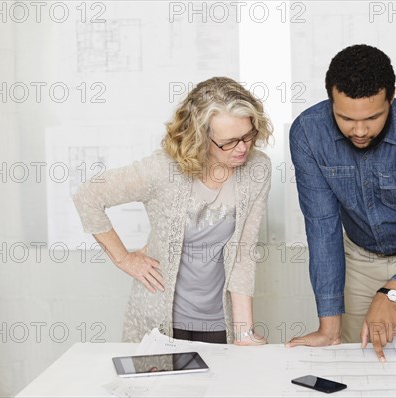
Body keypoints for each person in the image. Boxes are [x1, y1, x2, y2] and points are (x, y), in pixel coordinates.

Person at [287, 45, 396, 360]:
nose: (360, 130)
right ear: (331, 102)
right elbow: (322, 228)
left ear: (391, 99)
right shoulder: (308, 133)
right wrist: (328, 327)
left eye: (372, 117)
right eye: (346, 118)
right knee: (362, 366)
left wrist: (391, 293)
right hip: (358, 261)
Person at [73, 76, 272, 345]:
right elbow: (88, 196)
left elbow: (243, 254)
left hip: (218, 321)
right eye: (229, 141)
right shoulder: (163, 169)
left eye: (248, 136)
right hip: (158, 320)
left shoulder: (256, 169)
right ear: (201, 137)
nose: (242, 148)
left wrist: (244, 332)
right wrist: (123, 258)